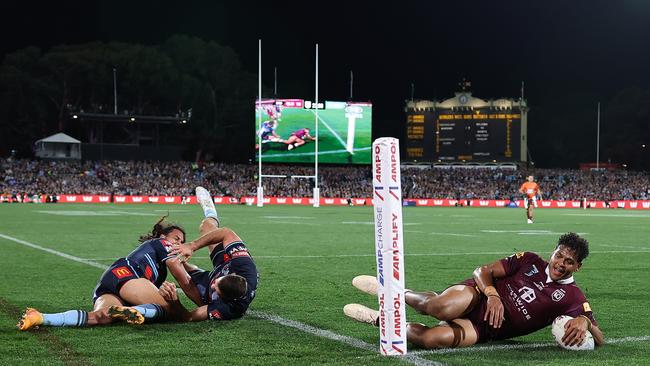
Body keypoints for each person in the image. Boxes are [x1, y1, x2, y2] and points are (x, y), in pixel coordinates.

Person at [344, 233, 604, 350]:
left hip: (485, 330)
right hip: (476, 296)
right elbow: (482, 271)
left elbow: (600, 339)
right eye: (559, 255)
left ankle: (379, 318)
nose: (560, 263)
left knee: (431, 340)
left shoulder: (573, 298)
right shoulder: (530, 260)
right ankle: (389, 291)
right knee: (439, 308)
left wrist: (584, 321)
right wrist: (492, 295)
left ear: (578, 267)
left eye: (569, 262)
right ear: (554, 251)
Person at [17, 216, 194, 329]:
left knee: (101, 317)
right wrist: (192, 312)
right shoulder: (163, 244)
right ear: (163, 237)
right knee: (171, 311)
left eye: (183, 241)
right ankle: (131, 310)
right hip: (130, 275)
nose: (179, 244)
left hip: (110, 279)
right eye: (176, 239)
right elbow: (183, 279)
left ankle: (40, 317)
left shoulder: (156, 259)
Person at [115, 186, 259, 323]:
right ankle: (210, 210)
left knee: (178, 268)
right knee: (207, 226)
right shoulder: (244, 266)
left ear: (224, 298)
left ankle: (136, 310)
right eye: (217, 281)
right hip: (224, 264)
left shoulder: (228, 309)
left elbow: (189, 317)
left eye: (216, 289)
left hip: (205, 294)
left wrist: (174, 301)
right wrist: (192, 246)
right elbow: (227, 233)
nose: (214, 285)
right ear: (232, 274)